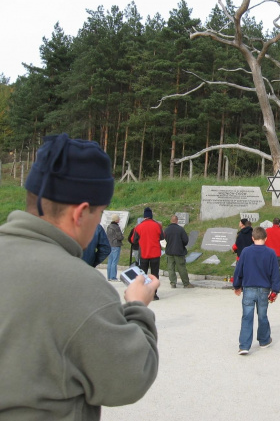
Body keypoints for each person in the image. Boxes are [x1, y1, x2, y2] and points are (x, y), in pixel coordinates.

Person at [0, 133, 159, 420]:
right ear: (81, 213)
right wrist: (138, 307)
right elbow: (130, 379)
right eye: (99, 212)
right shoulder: (80, 285)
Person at [233, 226, 280, 355]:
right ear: (266, 238)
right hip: (264, 289)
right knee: (263, 315)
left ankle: (244, 346)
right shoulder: (271, 253)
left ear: (252, 238)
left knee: (247, 316)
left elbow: (239, 270)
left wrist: (237, 286)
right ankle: (264, 340)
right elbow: (275, 274)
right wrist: (275, 290)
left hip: (248, 288)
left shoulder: (246, 252)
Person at [130, 207, 164, 300]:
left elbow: (133, 240)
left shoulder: (139, 226)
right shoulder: (157, 225)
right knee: (154, 274)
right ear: (151, 216)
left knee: (143, 274)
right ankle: (154, 294)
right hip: (155, 253)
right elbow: (162, 237)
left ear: (144, 216)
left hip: (144, 253)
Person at [164, 214, 194, 289]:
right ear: (177, 221)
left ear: (171, 221)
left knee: (171, 268)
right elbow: (185, 240)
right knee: (181, 268)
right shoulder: (180, 229)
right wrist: (181, 245)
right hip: (179, 251)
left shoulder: (166, 230)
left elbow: (164, 239)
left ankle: (173, 283)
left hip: (169, 251)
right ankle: (186, 284)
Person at [106, 213, 123, 281]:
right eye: (118, 218)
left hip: (110, 244)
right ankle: (113, 277)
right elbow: (120, 237)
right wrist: (122, 237)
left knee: (110, 261)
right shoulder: (116, 227)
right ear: (116, 220)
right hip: (116, 245)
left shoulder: (109, 226)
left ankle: (109, 276)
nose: (119, 219)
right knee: (114, 262)